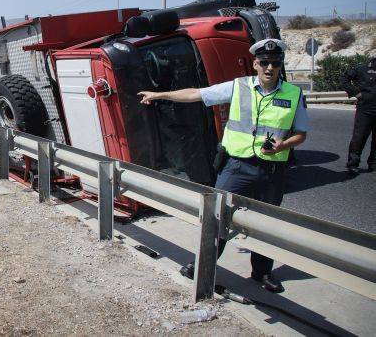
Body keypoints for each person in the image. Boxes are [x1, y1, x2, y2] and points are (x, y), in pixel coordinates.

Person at [138, 38, 308, 293]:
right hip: (236, 167)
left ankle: (261, 273)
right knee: (217, 218)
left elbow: (301, 134)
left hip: (272, 170)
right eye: (264, 63)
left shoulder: (294, 94)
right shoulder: (239, 87)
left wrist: (282, 146)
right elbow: (196, 94)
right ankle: (201, 265)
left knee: (266, 225)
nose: (269, 68)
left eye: (275, 63)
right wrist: (159, 94)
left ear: (280, 64)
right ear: (255, 64)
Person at [340, 57, 376, 175]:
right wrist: (355, 93)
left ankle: (373, 163)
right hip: (365, 109)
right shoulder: (362, 69)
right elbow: (344, 79)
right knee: (359, 138)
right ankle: (353, 164)